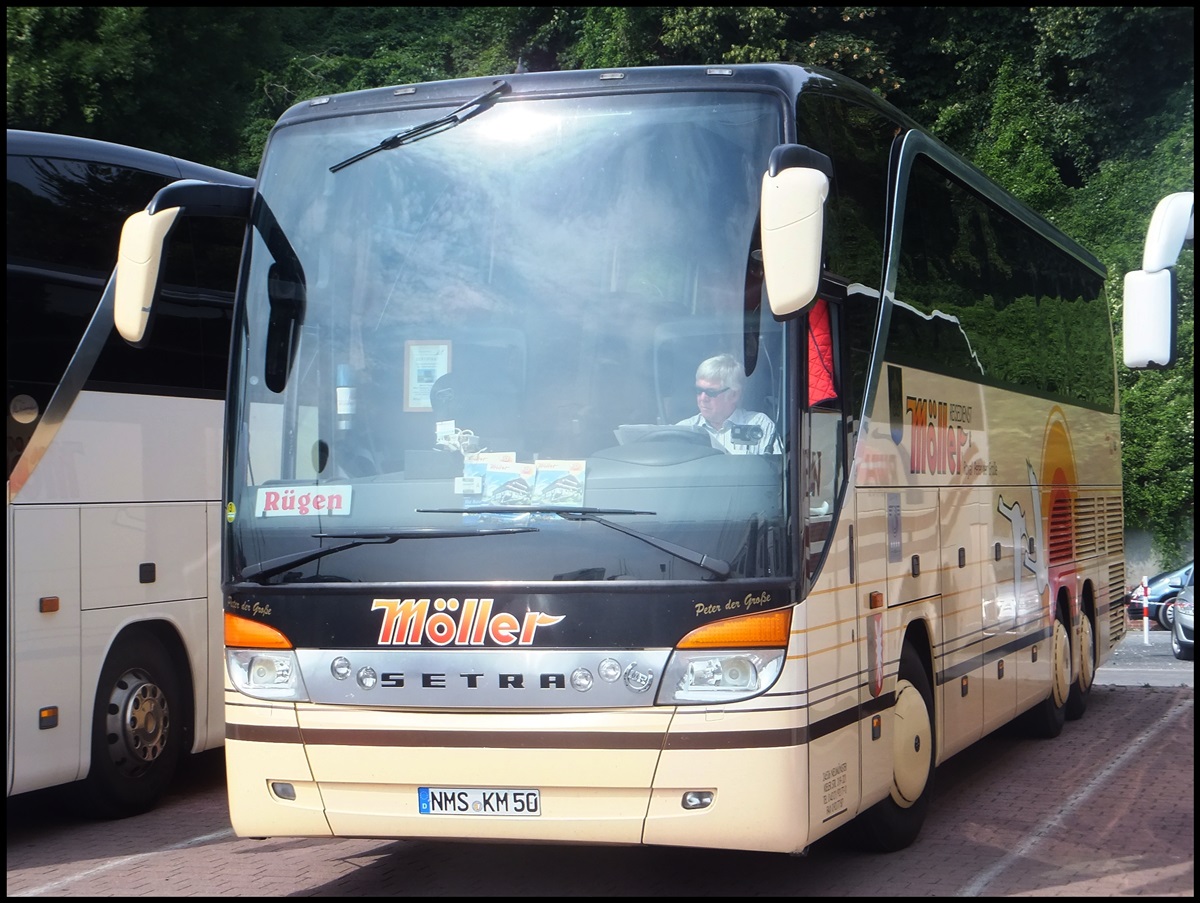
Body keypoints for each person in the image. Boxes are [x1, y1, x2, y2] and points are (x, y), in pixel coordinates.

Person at [676, 353, 781, 454]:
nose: (703, 398)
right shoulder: (684, 430)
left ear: (734, 395)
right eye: (699, 391)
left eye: (711, 392)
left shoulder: (759, 425)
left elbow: (775, 469)